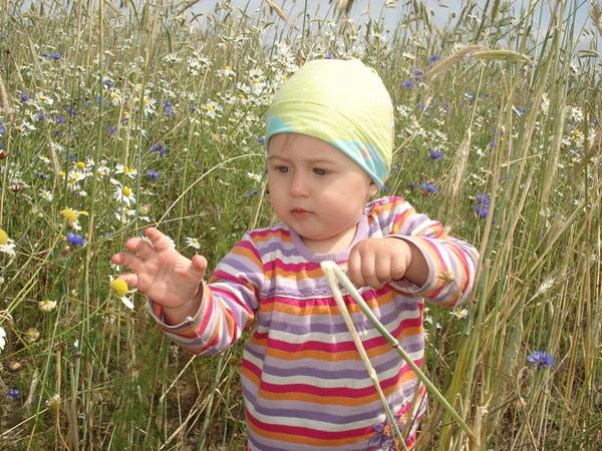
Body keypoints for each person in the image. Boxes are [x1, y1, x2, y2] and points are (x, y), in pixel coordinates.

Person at [111, 58, 479, 450]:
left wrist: (409, 256)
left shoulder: (392, 224)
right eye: (282, 169)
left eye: (320, 172)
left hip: (383, 440)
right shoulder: (261, 253)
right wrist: (188, 302)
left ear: (371, 178)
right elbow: (215, 333)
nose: (298, 187)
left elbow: (465, 274)